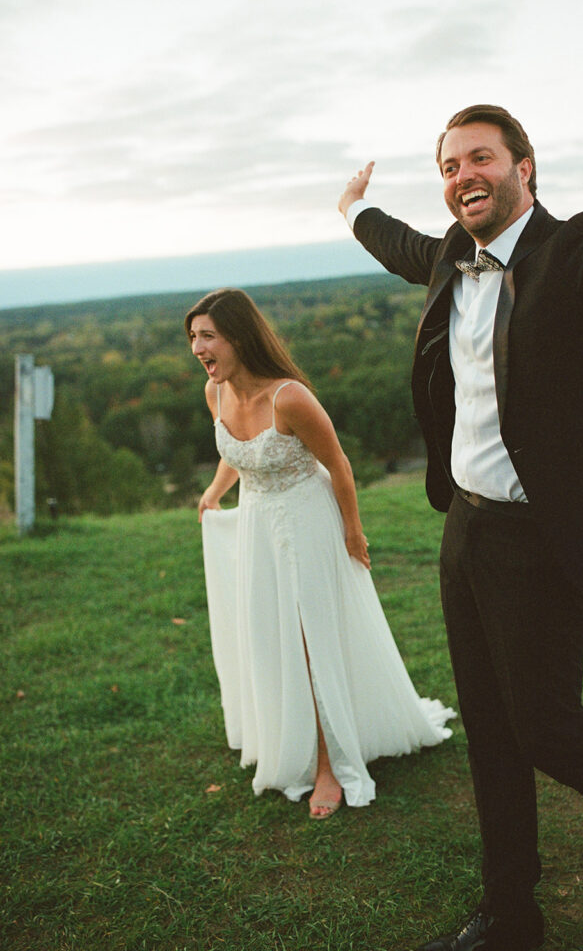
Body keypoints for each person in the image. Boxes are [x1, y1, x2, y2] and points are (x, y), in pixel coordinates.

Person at [338, 105, 583, 948]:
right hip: (468, 532)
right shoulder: (454, 257)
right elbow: (405, 248)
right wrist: (351, 213)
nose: (462, 177)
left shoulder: (575, 253)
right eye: (449, 166)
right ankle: (510, 911)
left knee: (546, 728)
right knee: (490, 731)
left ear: (526, 165)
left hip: (541, 540)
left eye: (479, 158)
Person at [185, 287, 455, 819]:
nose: (197, 347)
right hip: (258, 525)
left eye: (207, 336)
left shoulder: (290, 397)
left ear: (239, 337)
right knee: (273, 634)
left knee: (312, 642)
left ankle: (331, 766)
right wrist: (217, 490)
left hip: (309, 522)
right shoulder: (214, 393)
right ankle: (293, 742)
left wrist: (353, 533)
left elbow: (339, 463)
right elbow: (237, 451)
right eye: (192, 337)